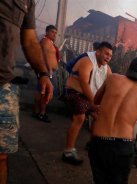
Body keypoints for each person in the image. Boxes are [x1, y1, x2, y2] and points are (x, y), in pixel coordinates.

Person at [0, 0, 53, 183]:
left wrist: (44, 74)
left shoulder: (27, 2)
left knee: (2, 155)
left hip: (4, 86)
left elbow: (29, 41)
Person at [88, 56, 137, 184]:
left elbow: (96, 101)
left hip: (99, 142)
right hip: (123, 148)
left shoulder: (112, 78)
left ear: (129, 69)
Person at [62, 41, 113, 165]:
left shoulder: (107, 68)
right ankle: (68, 152)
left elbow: (111, 83)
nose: (108, 57)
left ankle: (92, 144)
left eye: (110, 56)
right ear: (98, 52)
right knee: (80, 117)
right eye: (106, 54)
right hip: (74, 93)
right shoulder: (87, 61)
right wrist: (94, 103)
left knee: (100, 118)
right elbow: (84, 82)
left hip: (88, 96)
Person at [33, 24, 59, 123]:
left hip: (46, 71)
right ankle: (41, 113)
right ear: (47, 32)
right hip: (47, 71)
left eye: (56, 33)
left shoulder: (49, 42)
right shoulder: (46, 41)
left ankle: (37, 112)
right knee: (45, 92)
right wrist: (49, 70)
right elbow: (44, 55)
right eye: (52, 32)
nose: (54, 34)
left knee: (41, 91)